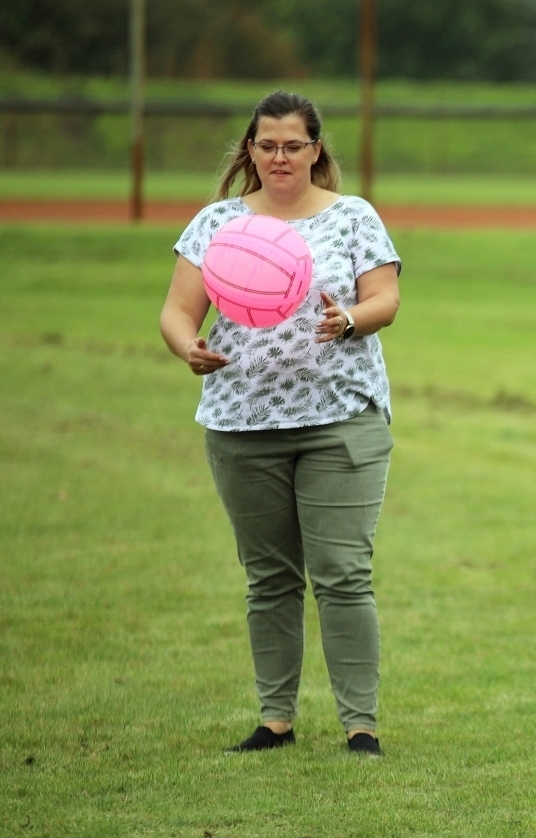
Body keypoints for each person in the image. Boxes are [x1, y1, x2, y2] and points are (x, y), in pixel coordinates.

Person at [158, 91, 402, 757]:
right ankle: (276, 721)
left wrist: (348, 318)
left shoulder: (352, 217)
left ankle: (361, 727)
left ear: (316, 151)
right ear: (250, 151)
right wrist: (189, 348)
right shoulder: (216, 224)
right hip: (241, 425)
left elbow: (385, 299)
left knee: (342, 574)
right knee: (269, 578)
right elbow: (178, 311)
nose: (280, 157)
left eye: (294, 145)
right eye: (267, 145)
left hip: (341, 421)